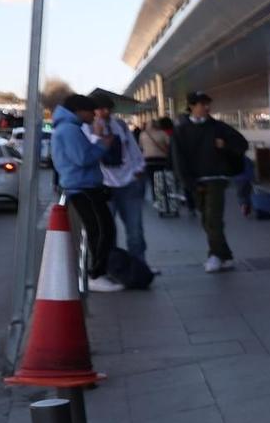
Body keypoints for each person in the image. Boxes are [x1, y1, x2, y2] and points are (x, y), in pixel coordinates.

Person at [48, 92, 122, 293]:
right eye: (91, 112)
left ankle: (98, 271)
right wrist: (101, 144)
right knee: (100, 230)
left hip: (82, 187)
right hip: (83, 188)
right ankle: (96, 273)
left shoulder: (66, 128)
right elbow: (82, 158)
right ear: (80, 111)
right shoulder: (69, 130)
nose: (94, 116)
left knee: (100, 229)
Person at [172, 91, 248, 273]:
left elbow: (242, 144)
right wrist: (188, 182)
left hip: (216, 178)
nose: (206, 107)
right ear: (191, 106)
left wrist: (226, 146)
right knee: (207, 220)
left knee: (212, 218)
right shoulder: (182, 130)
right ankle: (225, 255)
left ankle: (214, 255)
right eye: (201, 104)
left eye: (207, 104)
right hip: (196, 180)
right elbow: (178, 158)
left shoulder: (218, 127)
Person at [89, 91, 147, 264]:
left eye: (108, 109)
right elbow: (88, 156)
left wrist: (139, 169)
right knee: (107, 230)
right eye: (100, 109)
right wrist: (96, 135)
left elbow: (134, 150)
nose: (105, 113)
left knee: (135, 230)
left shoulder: (120, 125)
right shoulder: (87, 128)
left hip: (129, 183)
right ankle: (113, 267)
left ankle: (140, 265)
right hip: (104, 186)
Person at [139, 116, 176, 213]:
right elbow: (170, 145)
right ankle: (167, 197)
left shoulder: (143, 135)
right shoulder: (163, 133)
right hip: (162, 160)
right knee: (163, 180)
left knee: (152, 181)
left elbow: (141, 146)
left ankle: (156, 199)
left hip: (148, 160)